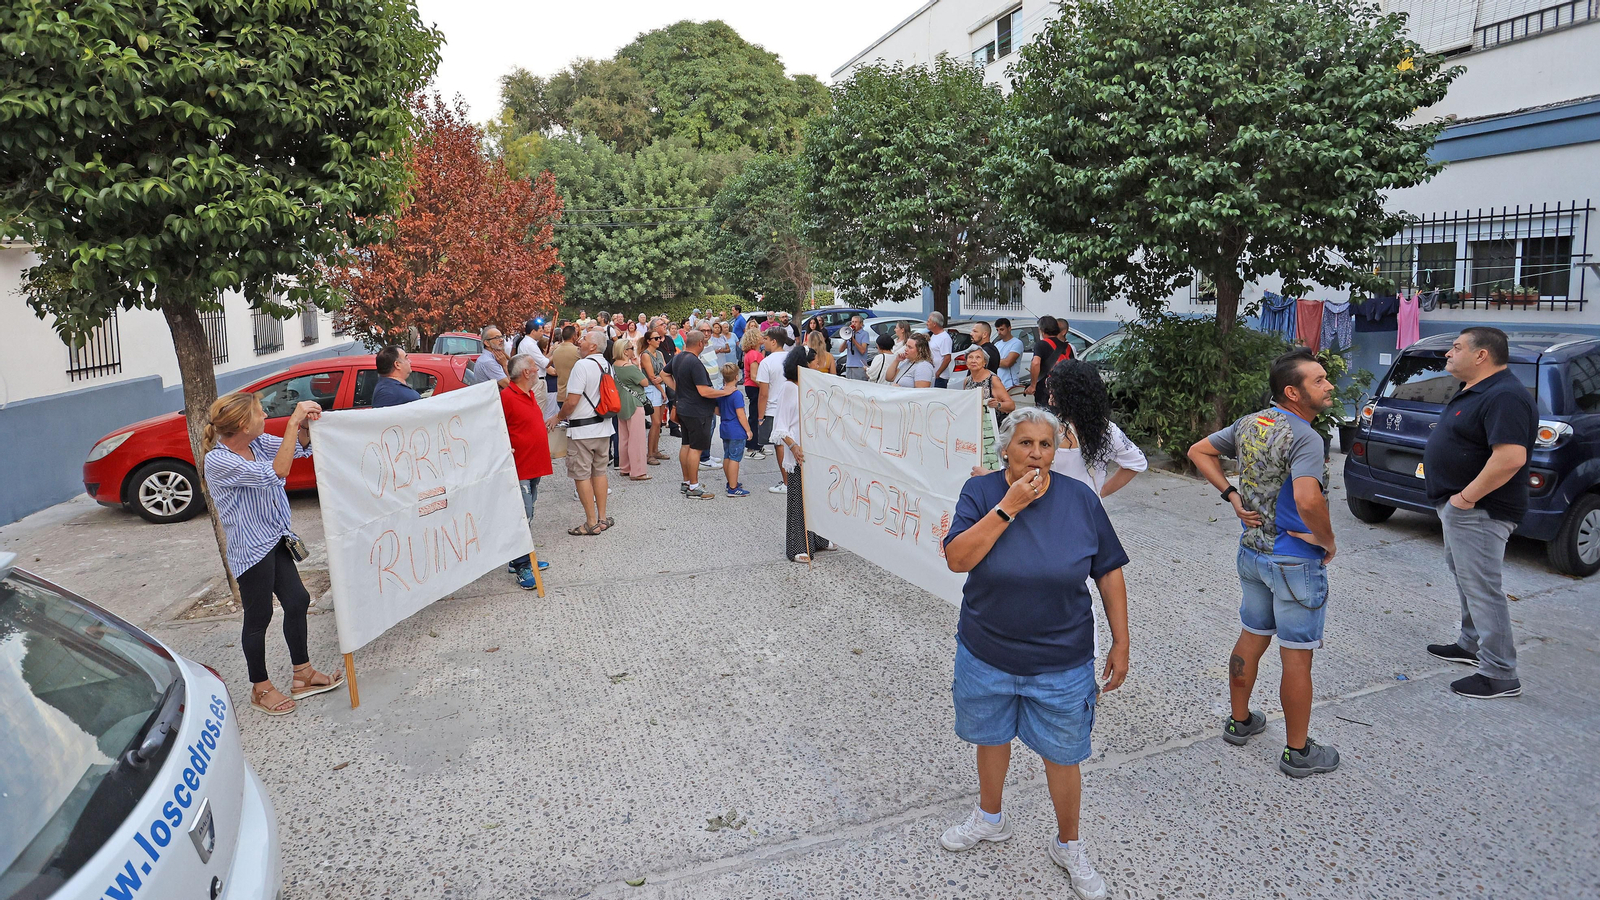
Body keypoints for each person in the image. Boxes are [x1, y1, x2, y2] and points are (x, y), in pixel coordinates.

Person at [939, 406, 1129, 900]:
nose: (1037, 454)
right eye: (1026, 444)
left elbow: (1108, 570)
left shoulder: (1081, 499)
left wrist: (1121, 639)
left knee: (1064, 756)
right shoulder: (979, 493)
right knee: (990, 736)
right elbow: (958, 557)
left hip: (1062, 659)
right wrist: (1009, 506)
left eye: (1046, 445)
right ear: (1005, 448)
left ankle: (1069, 845)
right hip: (987, 651)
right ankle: (990, 816)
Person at [1187, 348, 1341, 778]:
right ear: (1293, 392)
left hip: (1252, 552)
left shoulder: (1251, 422)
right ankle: (1297, 752)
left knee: (1252, 636)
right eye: (1319, 380)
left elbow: (1199, 451)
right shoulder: (1306, 438)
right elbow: (1309, 499)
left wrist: (1232, 496)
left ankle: (1240, 722)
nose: (1328, 385)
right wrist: (1327, 541)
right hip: (1294, 561)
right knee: (1297, 657)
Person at [202, 392, 343, 716]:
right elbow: (277, 472)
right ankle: (260, 687)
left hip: (276, 538)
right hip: (251, 549)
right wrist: (293, 419)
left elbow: (294, 450)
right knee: (258, 616)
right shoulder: (219, 460)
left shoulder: (257, 443)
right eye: (260, 412)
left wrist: (304, 428)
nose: (265, 416)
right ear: (242, 424)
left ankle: (303, 674)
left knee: (297, 601)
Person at [1422, 327, 1537, 699]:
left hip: (1482, 509)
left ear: (1482, 355)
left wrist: (1465, 499)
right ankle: (1471, 644)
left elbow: (1510, 457)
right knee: (1466, 578)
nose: (1448, 355)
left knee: (1483, 587)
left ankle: (1500, 673)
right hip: (1461, 507)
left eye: (1456, 348)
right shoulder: (1476, 390)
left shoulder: (1506, 395)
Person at [772, 344, 836, 562]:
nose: (819, 365)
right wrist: (793, 446)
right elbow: (781, 425)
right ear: (803, 364)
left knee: (817, 497)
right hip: (799, 452)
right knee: (799, 500)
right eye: (815, 362)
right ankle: (798, 546)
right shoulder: (789, 388)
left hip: (817, 450)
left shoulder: (812, 386)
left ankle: (817, 539)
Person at [1046, 361, 1147, 498]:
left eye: (1053, 388)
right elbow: (1138, 462)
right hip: (1090, 512)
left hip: (1055, 511)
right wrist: (1099, 493)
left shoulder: (1048, 431)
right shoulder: (1107, 428)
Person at [554, 329, 615, 535]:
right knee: (599, 472)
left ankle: (591, 523)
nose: (579, 342)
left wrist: (558, 417)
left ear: (593, 346)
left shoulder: (581, 366)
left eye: (584, 339)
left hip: (582, 430)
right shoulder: (607, 365)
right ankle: (603, 518)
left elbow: (572, 401)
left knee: (581, 475)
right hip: (604, 428)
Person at [501, 354, 554, 588]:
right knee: (522, 515)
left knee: (528, 511)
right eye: (534, 367)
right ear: (525, 373)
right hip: (520, 467)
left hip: (533, 464)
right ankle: (522, 565)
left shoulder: (528, 393)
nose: (537, 370)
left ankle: (519, 558)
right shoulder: (507, 397)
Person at [669, 330, 739, 500]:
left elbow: (664, 374)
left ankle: (686, 482)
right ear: (700, 343)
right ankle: (694, 486)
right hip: (697, 411)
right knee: (696, 448)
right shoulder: (695, 362)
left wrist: (679, 390)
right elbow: (704, 391)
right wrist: (725, 392)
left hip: (683, 408)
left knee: (686, 445)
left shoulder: (679, 357)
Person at [962, 346, 1014, 470]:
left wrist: (998, 405)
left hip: (993, 430)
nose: (974, 360)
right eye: (970, 357)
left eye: (978, 357)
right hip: (975, 429)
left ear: (984, 362)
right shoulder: (967, 381)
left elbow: (1011, 405)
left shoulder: (993, 380)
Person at [756, 329, 793, 491]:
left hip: (774, 410)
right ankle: (793, 481)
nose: (763, 341)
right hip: (792, 408)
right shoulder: (792, 358)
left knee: (779, 445)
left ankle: (786, 483)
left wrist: (760, 416)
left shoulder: (767, 362)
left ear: (773, 341)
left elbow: (763, 393)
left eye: (765, 339)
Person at [612, 339, 651, 481]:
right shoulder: (630, 367)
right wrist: (636, 365)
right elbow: (645, 382)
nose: (632, 350)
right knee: (637, 439)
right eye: (630, 348)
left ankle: (625, 467)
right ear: (624, 351)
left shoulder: (614, 366)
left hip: (620, 402)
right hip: (634, 403)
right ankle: (638, 471)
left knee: (624, 438)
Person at [717, 363, 755, 496]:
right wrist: (748, 430)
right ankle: (733, 487)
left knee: (727, 455)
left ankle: (730, 481)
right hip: (736, 429)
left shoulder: (720, 392)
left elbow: (717, 410)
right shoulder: (737, 394)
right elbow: (741, 414)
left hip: (725, 427)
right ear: (737, 376)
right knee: (735, 458)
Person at [640, 332, 671, 465]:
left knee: (659, 423)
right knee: (656, 422)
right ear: (648, 341)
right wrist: (662, 389)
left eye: (659, 338)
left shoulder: (659, 353)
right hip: (653, 389)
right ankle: (650, 453)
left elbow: (665, 370)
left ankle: (655, 450)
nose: (659, 340)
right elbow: (651, 376)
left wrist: (662, 380)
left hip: (661, 387)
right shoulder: (645, 355)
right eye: (656, 338)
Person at [739, 329, 768, 460]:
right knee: (756, 416)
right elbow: (754, 375)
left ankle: (758, 444)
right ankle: (751, 447)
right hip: (754, 387)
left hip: (753, 387)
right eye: (759, 335)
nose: (762, 337)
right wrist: (766, 386)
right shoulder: (754, 355)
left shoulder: (752, 353)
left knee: (758, 415)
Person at [1031, 316, 1071, 406]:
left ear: (1041, 330)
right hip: (1064, 389)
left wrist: (1033, 385)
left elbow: (1035, 363)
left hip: (1045, 390)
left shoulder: (1041, 344)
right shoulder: (1067, 347)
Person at [550, 325, 581, 403]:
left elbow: (546, 364)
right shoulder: (577, 351)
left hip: (561, 393)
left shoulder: (556, 351)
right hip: (574, 394)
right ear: (574, 336)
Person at [994, 318, 1024, 390]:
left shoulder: (1016, 343)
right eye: (997, 330)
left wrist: (994, 362)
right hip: (997, 384)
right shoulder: (997, 344)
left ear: (1009, 328)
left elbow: (1008, 363)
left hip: (1010, 384)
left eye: (1001, 329)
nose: (999, 332)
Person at [927, 312, 954, 388]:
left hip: (940, 377)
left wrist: (938, 373)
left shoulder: (944, 338)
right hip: (932, 376)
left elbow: (947, 358)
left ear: (934, 323)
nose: (927, 323)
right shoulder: (934, 335)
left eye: (929, 321)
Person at [841, 315, 871, 380]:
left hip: (859, 366)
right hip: (849, 365)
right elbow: (841, 350)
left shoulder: (864, 334)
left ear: (861, 324)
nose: (853, 324)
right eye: (852, 322)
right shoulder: (850, 334)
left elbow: (862, 350)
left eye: (856, 322)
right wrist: (846, 338)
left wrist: (853, 339)